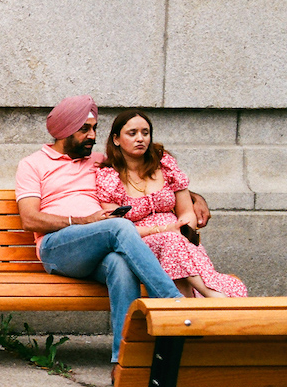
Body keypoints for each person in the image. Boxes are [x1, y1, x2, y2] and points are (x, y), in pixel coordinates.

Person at [14, 95, 182, 362]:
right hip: (57, 247)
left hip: (98, 246)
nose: (92, 136)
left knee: (120, 265)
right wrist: (83, 221)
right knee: (117, 227)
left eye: (94, 128)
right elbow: (30, 219)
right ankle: (173, 304)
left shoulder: (100, 160)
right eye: (84, 130)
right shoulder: (33, 165)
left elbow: (149, 178)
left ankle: (125, 361)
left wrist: (195, 199)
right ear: (64, 132)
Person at [93, 110, 248, 299]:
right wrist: (164, 230)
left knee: (176, 246)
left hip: (179, 238)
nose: (140, 138)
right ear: (116, 139)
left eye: (145, 132)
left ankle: (189, 310)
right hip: (139, 244)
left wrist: (183, 228)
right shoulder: (108, 177)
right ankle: (215, 296)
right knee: (171, 241)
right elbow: (116, 229)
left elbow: (186, 212)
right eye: (132, 133)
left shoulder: (164, 163)